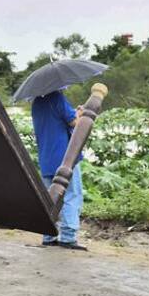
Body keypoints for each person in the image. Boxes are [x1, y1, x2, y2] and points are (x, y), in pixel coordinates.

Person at [31, 89, 86, 250]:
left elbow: (55, 121)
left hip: (46, 157)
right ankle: (68, 237)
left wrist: (74, 113)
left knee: (51, 198)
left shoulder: (36, 102)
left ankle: (49, 235)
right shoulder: (57, 97)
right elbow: (74, 123)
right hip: (66, 157)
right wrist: (81, 113)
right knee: (71, 194)